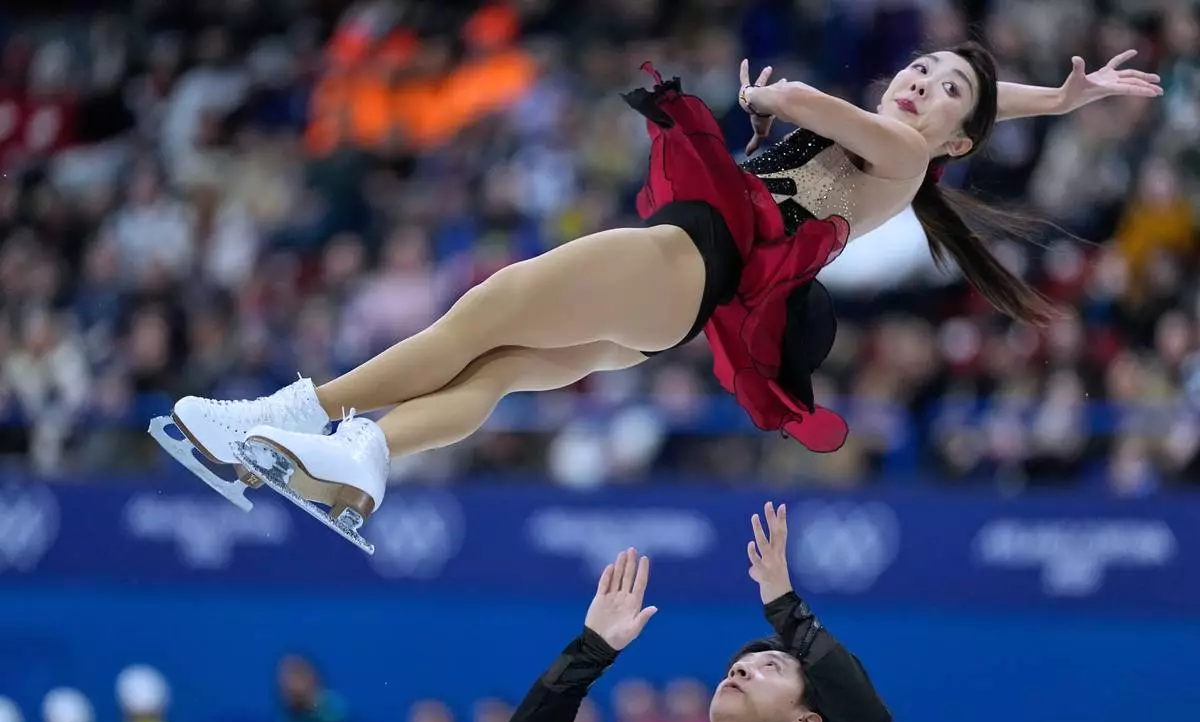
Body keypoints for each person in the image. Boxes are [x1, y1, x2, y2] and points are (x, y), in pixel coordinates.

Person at [149, 46, 1161, 546]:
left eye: (945, 91)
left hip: (692, 259)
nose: (923, 82)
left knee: (481, 314)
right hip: (679, 303)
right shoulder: (918, 142)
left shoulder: (901, 157)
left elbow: (837, 111)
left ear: (957, 138)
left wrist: (775, 97)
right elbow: (949, 107)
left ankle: (295, 412)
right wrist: (1057, 96)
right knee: (495, 369)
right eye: (924, 67)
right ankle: (367, 456)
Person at [498, 501, 892, 722]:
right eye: (738, 666)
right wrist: (592, 650)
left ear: (806, 720)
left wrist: (786, 609)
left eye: (771, 667)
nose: (739, 670)